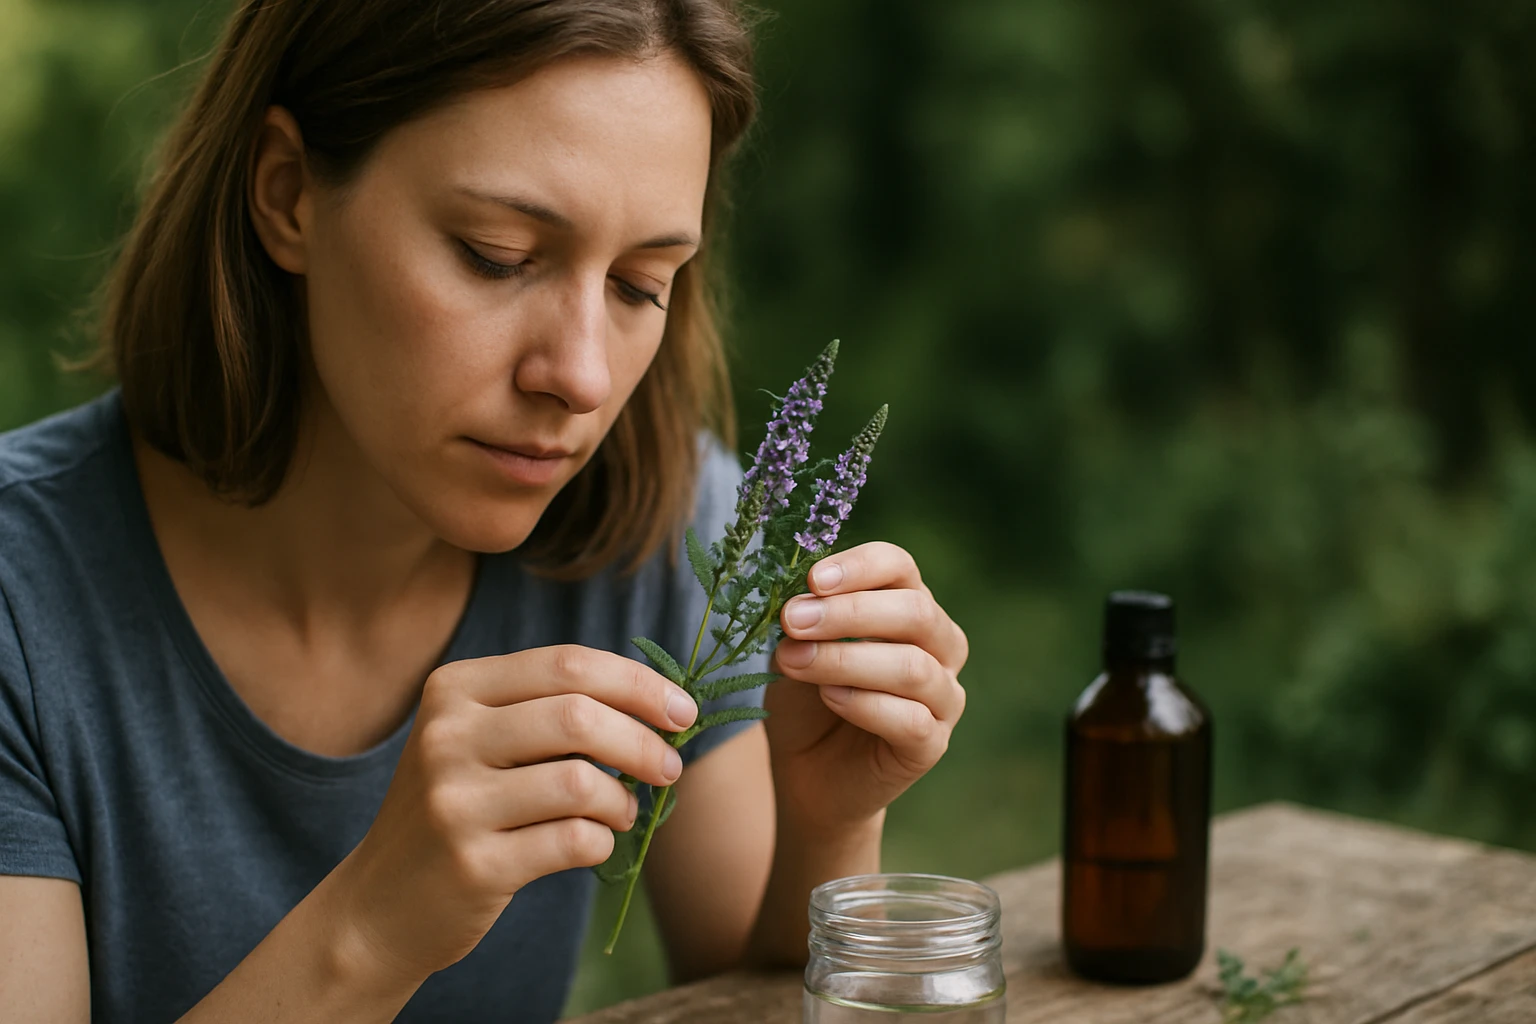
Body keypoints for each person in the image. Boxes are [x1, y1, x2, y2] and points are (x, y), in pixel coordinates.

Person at [0, 1, 970, 1021]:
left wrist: (828, 820)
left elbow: (746, 985)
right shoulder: (25, 609)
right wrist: (372, 931)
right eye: (497, 254)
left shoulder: (659, 521)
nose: (581, 376)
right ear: (287, 193)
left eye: (640, 285)